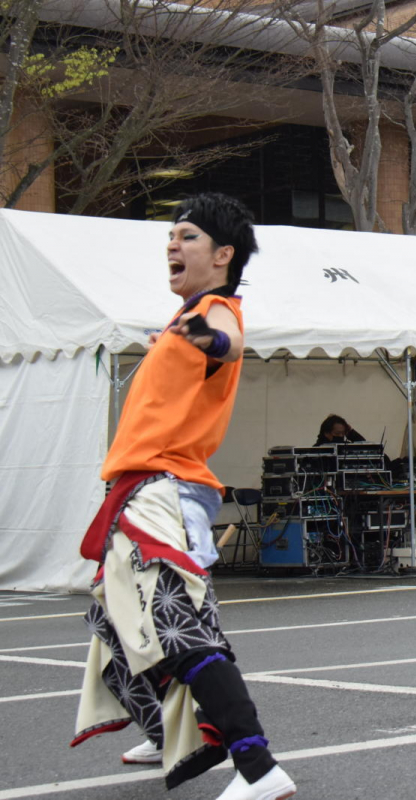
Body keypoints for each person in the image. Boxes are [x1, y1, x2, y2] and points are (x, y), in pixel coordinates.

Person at [73, 194, 295, 800]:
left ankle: (259, 769)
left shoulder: (216, 310)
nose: (173, 244)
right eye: (170, 236)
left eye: (188, 236)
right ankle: (172, 734)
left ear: (223, 255)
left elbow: (228, 340)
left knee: (178, 629)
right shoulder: (180, 323)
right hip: (141, 492)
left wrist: (200, 334)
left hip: (161, 492)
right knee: (116, 628)